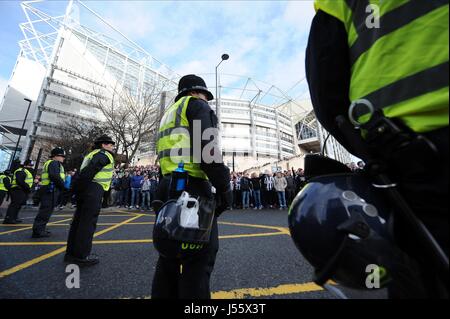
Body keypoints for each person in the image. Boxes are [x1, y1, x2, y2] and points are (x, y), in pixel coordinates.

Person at [302, 0, 449, 298]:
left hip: (409, 151)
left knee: (422, 276)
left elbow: (327, 88)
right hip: (409, 152)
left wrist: (370, 150)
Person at [152, 74, 232, 299]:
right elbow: (209, 152)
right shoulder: (197, 106)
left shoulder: (168, 115)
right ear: (199, 92)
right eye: (206, 96)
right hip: (193, 191)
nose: (207, 101)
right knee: (199, 258)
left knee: (169, 257)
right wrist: (225, 189)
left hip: (168, 186)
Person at [65, 135, 115, 266]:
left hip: (86, 188)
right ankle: (81, 255)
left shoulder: (91, 154)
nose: (112, 146)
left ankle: (71, 254)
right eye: (110, 144)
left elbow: (82, 173)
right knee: (87, 223)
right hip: (93, 189)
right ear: (103, 145)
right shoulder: (104, 154)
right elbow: (89, 171)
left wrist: (76, 190)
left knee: (78, 222)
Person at [32, 147, 66, 238]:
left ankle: (40, 229)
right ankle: (38, 231)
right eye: (61, 156)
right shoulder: (54, 163)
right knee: (45, 211)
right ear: (55, 156)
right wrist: (63, 186)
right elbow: (54, 176)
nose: (63, 158)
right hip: (50, 190)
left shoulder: (51, 163)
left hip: (48, 189)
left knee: (46, 210)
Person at [3, 160, 34, 224]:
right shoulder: (21, 170)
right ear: (25, 165)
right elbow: (20, 181)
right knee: (15, 204)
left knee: (18, 205)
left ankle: (14, 217)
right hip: (17, 189)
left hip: (22, 190)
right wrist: (27, 187)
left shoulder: (26, 171)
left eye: (31, 166)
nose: (31, 167)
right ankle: (9, 218)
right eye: (29, 165)